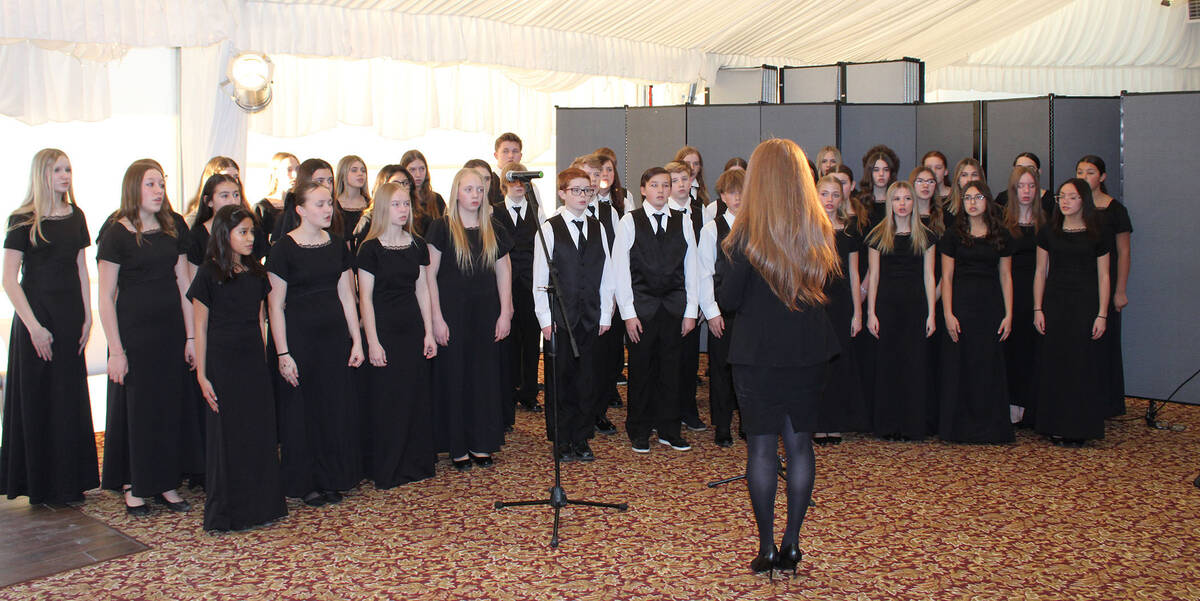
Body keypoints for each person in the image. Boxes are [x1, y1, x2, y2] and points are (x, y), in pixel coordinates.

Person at [717, 138, 840, 578]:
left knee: (763, 447)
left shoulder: (745, 233)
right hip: (809, 351)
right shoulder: (818, 228)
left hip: (758, 355)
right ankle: (792, 544)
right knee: (801, 445)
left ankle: (766, 546)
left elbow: (727, 299)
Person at [97, 159, 195, 515]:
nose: (159, 191)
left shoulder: (174, 226)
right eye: (151, 184)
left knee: (168, 404)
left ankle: (165, 481)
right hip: (134, 333)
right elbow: (105, 296)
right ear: (134, 187)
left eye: (162, 184)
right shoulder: (116, 232)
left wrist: (191, 337)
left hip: (170, 329)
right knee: (137, 408)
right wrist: (116, 350)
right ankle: (134, 482)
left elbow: (185, 283)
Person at [0, 149, 97, 506]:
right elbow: (9, 280)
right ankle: (41, 485)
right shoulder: (22, 219)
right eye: (58, 169)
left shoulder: (77, 215)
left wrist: (88, 316)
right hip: (35, 318)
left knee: (68, 397)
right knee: (40, 397)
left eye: (68, 168)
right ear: (42, 173)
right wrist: (34, 328)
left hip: (70, 317)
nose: (65, 175)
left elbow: (82, 270)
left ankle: (71, 481)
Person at [188, 205, 287, 531]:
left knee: (256, 433)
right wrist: (202, 375)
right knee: (226, 436)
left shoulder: (257, 274)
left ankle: (261, 506)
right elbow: (200, 327)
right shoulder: (208, 274)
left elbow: (260, 321)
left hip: (251, 363)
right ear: (224, 235)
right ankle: (227, 512)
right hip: (220, 361)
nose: (250, 238)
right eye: (242, 232)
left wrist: (261, 361)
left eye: (252, 232)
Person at [267, 182, 365, 507]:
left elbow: (347, 296)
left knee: (333, 408)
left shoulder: (337, 245)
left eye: (329, 204)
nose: (327, 210)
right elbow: (275, 305)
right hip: (299, 339)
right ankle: (306, 481)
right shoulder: (283, 249)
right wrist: (283, 353)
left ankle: (331, 477)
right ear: (300, 209)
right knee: (302, 412)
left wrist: (357, 341)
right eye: (320, 204)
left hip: (334, 338)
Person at [426, 168, 514, 471]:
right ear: (456, 192)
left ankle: (481, 442)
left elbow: (504, 271)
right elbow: (429, 276)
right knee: (456, 378)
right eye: (469, 189)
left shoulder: (495, 228)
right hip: (452, 314)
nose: (475, 195)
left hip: (486, 313)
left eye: (479, 190)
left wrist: (506, 311)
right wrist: (435, 318)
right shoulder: (441, 228)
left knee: (483, 379)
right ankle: (458, 445)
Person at [356, 182, 438, 487]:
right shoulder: (370, 248)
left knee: (413, 396)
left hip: (412, 328)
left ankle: (414, 463)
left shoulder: (416, 245)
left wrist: (429, 332)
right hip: (384, 331)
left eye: (406, 204)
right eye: (396, 205)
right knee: (387, 400)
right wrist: (373, 341)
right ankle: (387, 466)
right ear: (382, 208)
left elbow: (422, 289)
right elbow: (365, 298)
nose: (403, 210)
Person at [612, 167, 698, 453]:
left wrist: (690, 311)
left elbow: (692, 268)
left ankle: (669, 428)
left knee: (671, 371)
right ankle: (639, 428)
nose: (661, 190)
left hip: (674, 308)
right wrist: (628, 313)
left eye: (666, 185)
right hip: (642, 308)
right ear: (644, 189)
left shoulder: (683, 221)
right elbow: (620, 270)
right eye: (655, 185)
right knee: (641, 371)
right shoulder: (629, 222)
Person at [533, 168, 615, 462]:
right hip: (560, 319)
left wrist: (606, 313)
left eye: (587, 190)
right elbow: (540, 280)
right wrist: (545, 319)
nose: (582, 196)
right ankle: (561, 438)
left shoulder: (599, 228)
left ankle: (582, 437)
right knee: (561, 380)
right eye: (576, 190)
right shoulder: (549, 228)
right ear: (562, 193)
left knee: (587, 380)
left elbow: (607, 274)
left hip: (591, 317)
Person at [1033, 179, 1111, 447]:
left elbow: (1104, 276)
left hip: (1085, 303)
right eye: (1061, 197)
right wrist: (1037, 308)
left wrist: (1102, 313)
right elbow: (1040, 272)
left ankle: (1080, 427)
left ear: (1084, 201)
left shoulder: (1097, 232)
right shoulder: (1048, 231)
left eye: (1072, 197)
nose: (1065, 201)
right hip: (1055, 302)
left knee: (1082, 364)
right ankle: (1054, 425)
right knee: (1056, 364)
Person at [938, 181, 1014, 443]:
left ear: (987, 201)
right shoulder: (952, 234)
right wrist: (947, 313)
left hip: (991, 306)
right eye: (967, 197)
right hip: (961, 306)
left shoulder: (1001, 234)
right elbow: (946, 278)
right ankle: (960, 428)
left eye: (978, 197)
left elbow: (1006, 276)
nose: (972, 202)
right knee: (962, 365)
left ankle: (990, 428)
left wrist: (1009, 314)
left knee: (988, 366)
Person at [866, 182, 936, 441]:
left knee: (914, 365)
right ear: (890, 204)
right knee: (888, 365)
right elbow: (873, 276)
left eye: (907, 199)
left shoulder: (926, 236)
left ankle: (912, 424)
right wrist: (871, 312)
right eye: (897, 199)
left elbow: (930, 276)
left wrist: (932, 313)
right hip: (886, 306)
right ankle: (888, 424)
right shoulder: (877, 235)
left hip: (916, 306)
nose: (903, 203)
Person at [813, 174, 868, 444]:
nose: (830, 200)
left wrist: (858, 312)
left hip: (842, 304)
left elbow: (856, 275)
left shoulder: (850, 230)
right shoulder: (808, 228)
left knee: (838, 364)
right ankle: (816, 421)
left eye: (835, 195)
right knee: (816, 364)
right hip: (814, 303)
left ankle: (833, 422)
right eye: (825, 194)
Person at [1077, 155, 1130, 418]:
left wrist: (1120, 290)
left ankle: (1106, 404)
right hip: (1078, 286)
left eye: (1090, 172)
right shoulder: (1074, 208)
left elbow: (1124, 252)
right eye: (1080, 172)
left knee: (1104, 344)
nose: (1084, 177)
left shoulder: (1115, 210)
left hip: (1106, 284)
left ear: (1103, 177)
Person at [492, 162, 543, 418]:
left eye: (523, 181)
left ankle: (529, 392)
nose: (519, 186)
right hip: (506, 286)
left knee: (532, 340)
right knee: (509, 341)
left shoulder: (537, 210)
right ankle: (508, 392)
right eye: (513, 181)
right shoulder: (494, 213)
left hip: (532, 285)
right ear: (504, 184)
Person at [699, 169, 745, 447]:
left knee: (747, 370)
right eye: (732, 193)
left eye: (742, 192)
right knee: (721, 370)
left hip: (750, 313)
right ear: (723, 196)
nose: (738, 198)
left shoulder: (757, 226)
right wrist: (712, 312)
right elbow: (704, 273)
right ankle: (723, 426)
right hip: (722, 312)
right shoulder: (711, 228)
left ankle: (748, 424)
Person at [666, 160, 706, 432]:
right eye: (675, 180)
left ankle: (687, 409)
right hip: (668, 295)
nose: (681, 184)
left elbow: (704, 259)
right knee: (668, 358)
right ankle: (666, 411)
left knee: (689, 358)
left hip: (693, 293)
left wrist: (701, 299)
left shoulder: (699, 211)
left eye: (685, 179)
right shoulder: (661, 212)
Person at [1002, 166, 1044, 425]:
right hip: (1010, 290)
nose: (1026, 192)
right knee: (1012, 349)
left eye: (1031, 186)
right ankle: (1012, 401)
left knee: (1033, 350)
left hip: (1037, 293)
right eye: (1021, 186)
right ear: (1013, 190)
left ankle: (1032, 404)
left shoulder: (1046, 222)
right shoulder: (1004, 222)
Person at [187, 174, 266, 277]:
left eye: (236, 195)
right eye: (225, 196)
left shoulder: (253, 229)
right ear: (209, 201)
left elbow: (257, 270)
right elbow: (193, 281)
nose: (233, 201)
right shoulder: (196, 236)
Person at [255, 152, 298, 245]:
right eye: (289, 170)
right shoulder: (262, 207)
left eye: (297, 169)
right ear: (276, 172)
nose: (295, 175)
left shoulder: (302, 204)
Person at [184, 156, 239, 225]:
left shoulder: (244, 215)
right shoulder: (193, 221)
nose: (232, 181)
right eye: (226, 176)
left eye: (235, 177)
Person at [400, 150, 445, 234]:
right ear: (404, 172)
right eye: (412, 170)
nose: (418, 174)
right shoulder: (401, 201)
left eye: (422, 169)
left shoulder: (436, 199)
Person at [334, 155, 371, 252]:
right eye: (354, 170)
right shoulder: (333, 205)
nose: (360, 174)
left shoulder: (371, 204)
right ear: (342, 174)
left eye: (363, 170)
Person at [859, 150, 897, 224]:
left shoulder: (897, 200)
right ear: (869, 173)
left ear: (891, 173)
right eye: (876, 170)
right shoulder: (860, 201)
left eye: (886, 170)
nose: (881, 174)